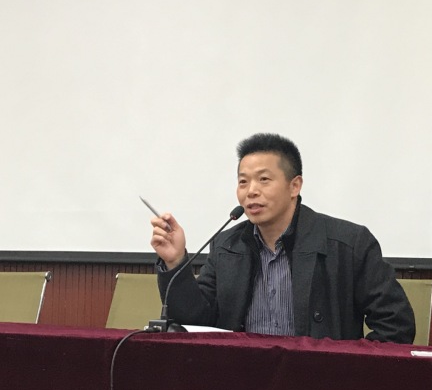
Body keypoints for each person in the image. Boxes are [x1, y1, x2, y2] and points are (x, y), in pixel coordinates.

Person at [149, 133, 415, 342]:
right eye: (243, 182)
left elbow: (395, 324)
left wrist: (348, 371)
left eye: (264, 179)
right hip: (242, 379)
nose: (251, 191)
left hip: (319, 383)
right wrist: (175, 262)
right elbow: (196, 323)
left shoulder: (349, 243)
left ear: (294, 186)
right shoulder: (226, 246)